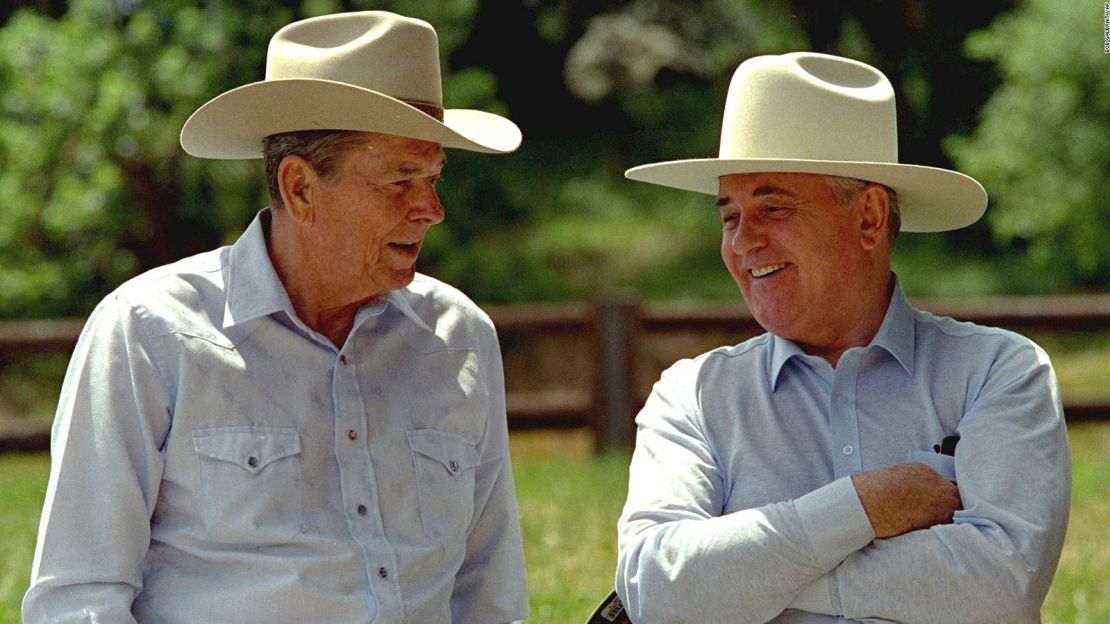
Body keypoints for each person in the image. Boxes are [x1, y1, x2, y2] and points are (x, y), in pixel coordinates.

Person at [23, 11, 528, 624]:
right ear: (300, 189)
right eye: (400, 180)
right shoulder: (149, 332)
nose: (431, 209)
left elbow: (489, 595)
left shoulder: (461, 338)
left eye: (432, 177)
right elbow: (79, 598)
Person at [615, 52, 1070, 623]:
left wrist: (740, 574)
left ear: (869, 219)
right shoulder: (693, 395)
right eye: (729, 216)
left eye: (772, 207)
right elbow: (654, 587)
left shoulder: (998, 372)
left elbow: (1001, 588)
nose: (742, 242)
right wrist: (863, 507)